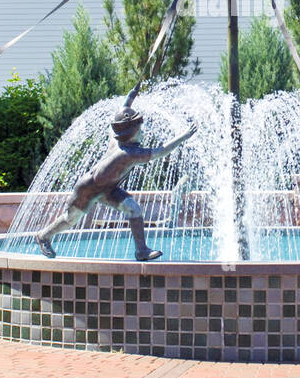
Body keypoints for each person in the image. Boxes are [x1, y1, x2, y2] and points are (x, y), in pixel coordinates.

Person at [35, 89, 196, 261]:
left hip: (108, 189)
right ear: (132, 133)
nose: (142, 132)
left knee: (134, 209)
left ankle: (141, 251)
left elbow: (124, 106)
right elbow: (161, 151)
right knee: (70, 219)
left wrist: (133, 93)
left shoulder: (117, 140)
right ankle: (43, 236)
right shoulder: (129, 153)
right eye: (139, 129)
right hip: (88, 189)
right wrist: (184, 135)